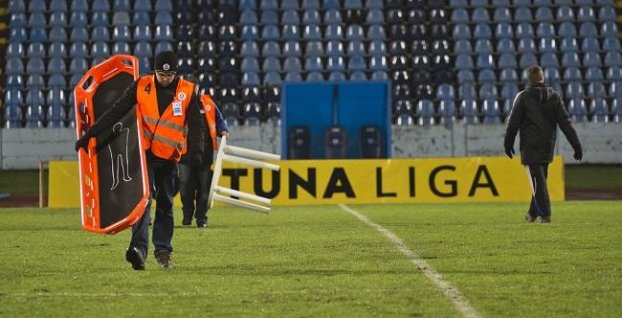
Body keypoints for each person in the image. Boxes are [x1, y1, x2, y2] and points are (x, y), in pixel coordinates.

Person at [75, 51, 206, 270]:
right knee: (142, 200)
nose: (165, 78)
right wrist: (91, 134)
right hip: (144, 155)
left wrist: (197, 151)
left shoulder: (187, 91)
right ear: (154, 71)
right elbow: (116, 111)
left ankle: (163, 250)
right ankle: (138, 249)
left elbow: (196, 125)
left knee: (165, 203)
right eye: (161, 74)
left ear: (175, 73)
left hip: (168, 157)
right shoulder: (140, 86)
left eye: (169, 75)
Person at [504, 65, 583, 223]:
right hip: (547, 146)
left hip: (530, 147)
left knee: (537, 181)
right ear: (542, 78)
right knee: (539, 180)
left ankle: (545, 214)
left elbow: (513, 123)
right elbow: (565, 123)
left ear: (529, 79)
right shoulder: (554, 97)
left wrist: (508, 143)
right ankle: (532, 213)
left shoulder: (523, 97)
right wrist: (576, 145)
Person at [178, 75, 229, 228]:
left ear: (198, 88)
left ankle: (201, 218)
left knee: (204, 187)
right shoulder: (179, 104)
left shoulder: (208, 103)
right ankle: (187, 214)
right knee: (185, 186)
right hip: (185, 152)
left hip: (205, 153)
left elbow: (219, 120)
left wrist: (224, 130)